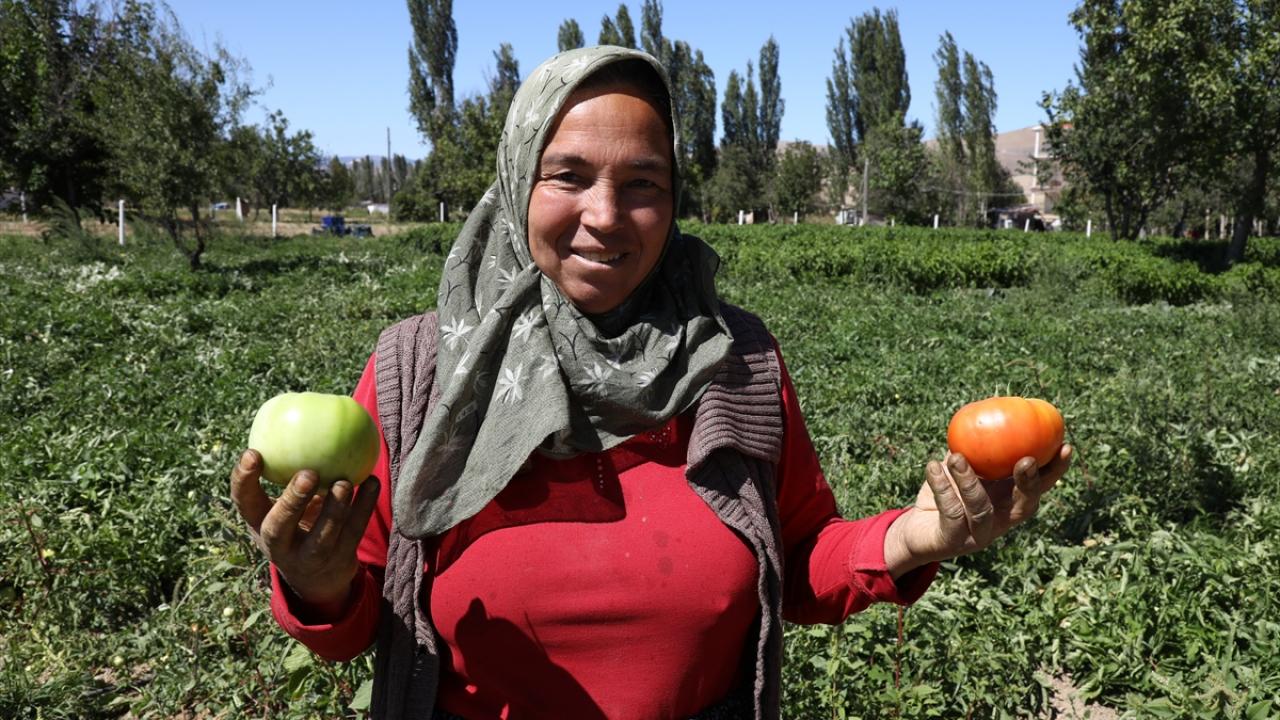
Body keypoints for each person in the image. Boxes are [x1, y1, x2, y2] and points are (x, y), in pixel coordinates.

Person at [230, 47, 1071, 720]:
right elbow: (352, 624)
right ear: (518, 181)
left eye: (643, 185)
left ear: (673, 203)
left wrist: (912, 537)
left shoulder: (733, 361)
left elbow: (802, 556)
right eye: (568, 177)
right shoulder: (422, 372)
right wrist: (316, 581)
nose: (605, 214)